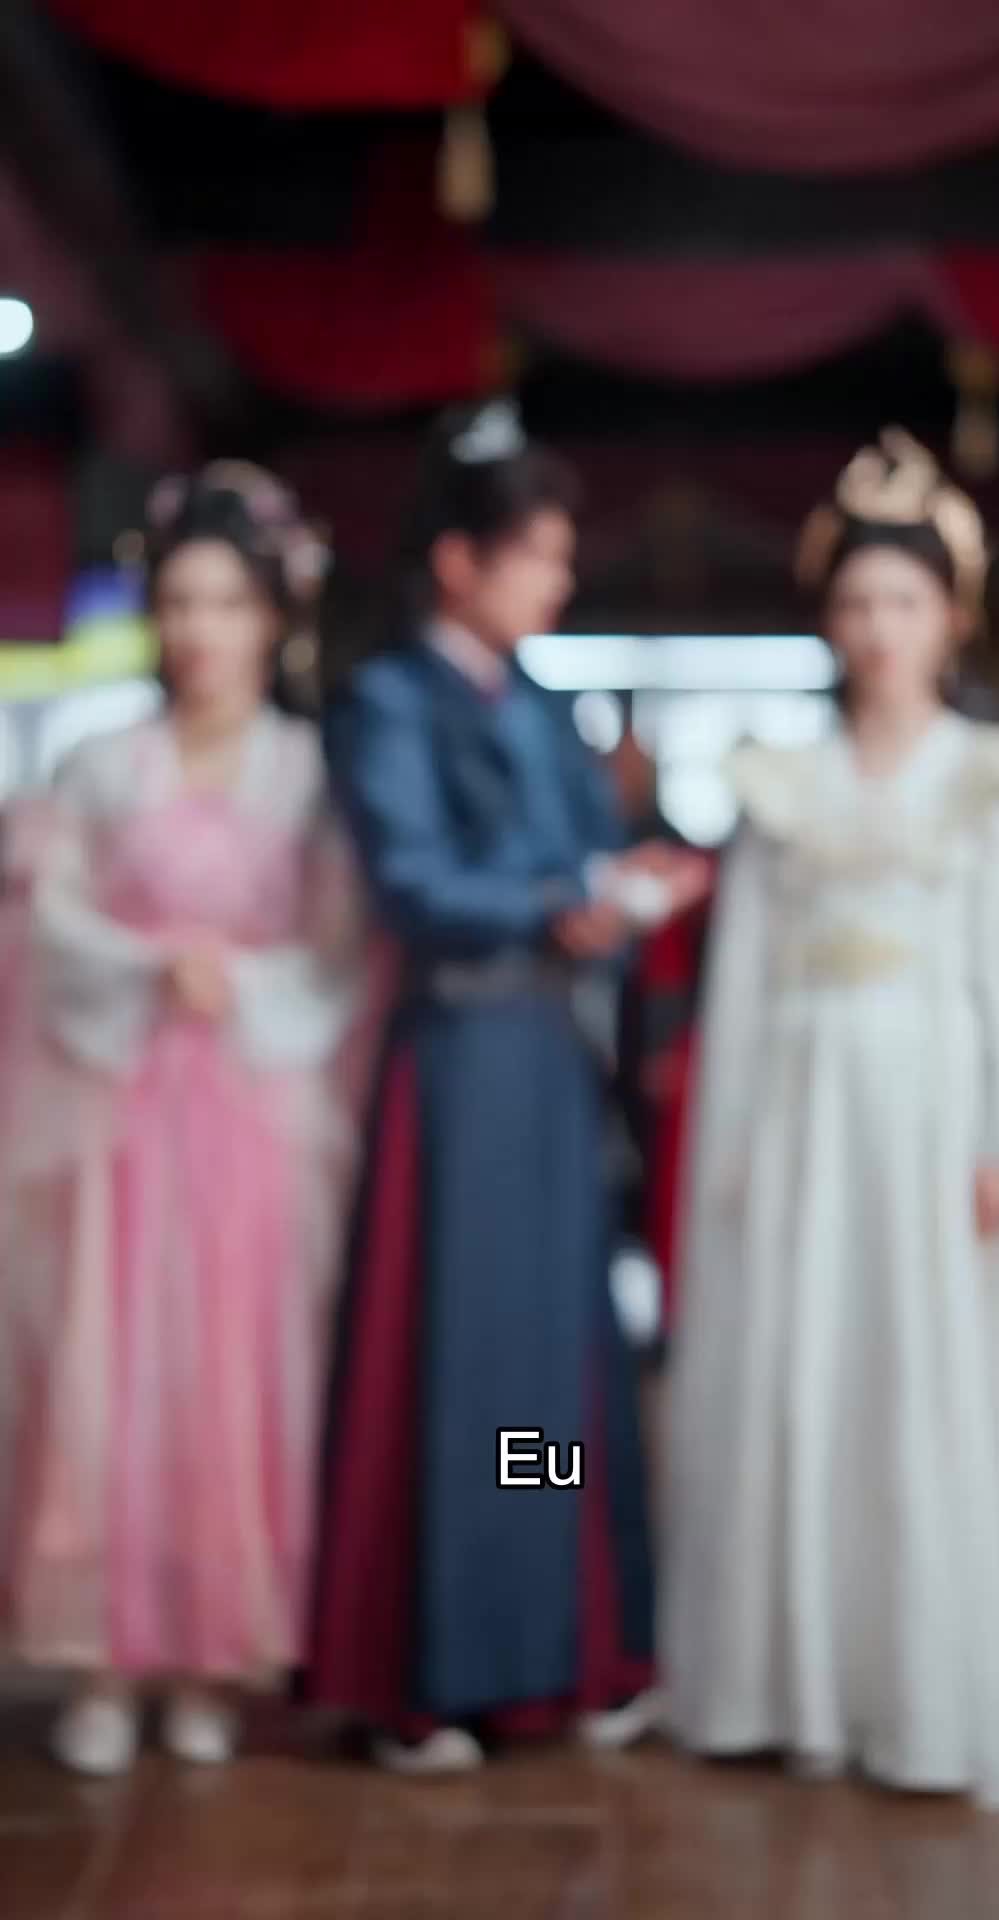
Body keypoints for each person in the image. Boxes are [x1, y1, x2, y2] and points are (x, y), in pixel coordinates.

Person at [662, 429, 999, 1809]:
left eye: (904, 599)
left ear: (951, 617)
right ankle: (797, 1680)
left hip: (932, 1104)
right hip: (802, 1103)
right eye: (856, 601)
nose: (879, 626)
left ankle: (932, 1685)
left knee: (924, 1368)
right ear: (828, 621)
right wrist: (730, 1142)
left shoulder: (990, 778)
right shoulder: (783, 782)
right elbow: (742, 973)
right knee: (805, 1365)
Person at [306, 399, 706, 1775]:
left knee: (551, 1372)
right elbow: (414, 883)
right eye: (538, 555)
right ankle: (442, 1667)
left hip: (543, 1061)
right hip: (460, 1066)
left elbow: (593, 845)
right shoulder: (390, 702)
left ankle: (563, 1640)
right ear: (459, 561)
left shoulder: (539, 703)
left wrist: (629, 881)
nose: (558, 581)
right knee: (467, 1367)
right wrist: (560, 899)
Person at [0, 468, 361, 1777]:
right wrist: (148, 965)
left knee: (236, 1373)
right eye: (183, 601)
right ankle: (103, 1656)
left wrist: (245, 983)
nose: (202, 628)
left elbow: (338, 945)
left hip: (258, 1109)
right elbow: (45, 916)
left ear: (276, 619)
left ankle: (213, 1653)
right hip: (120, 1104)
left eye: (228, 602)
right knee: (104, 1369)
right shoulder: (100, 766)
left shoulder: (310, 775)